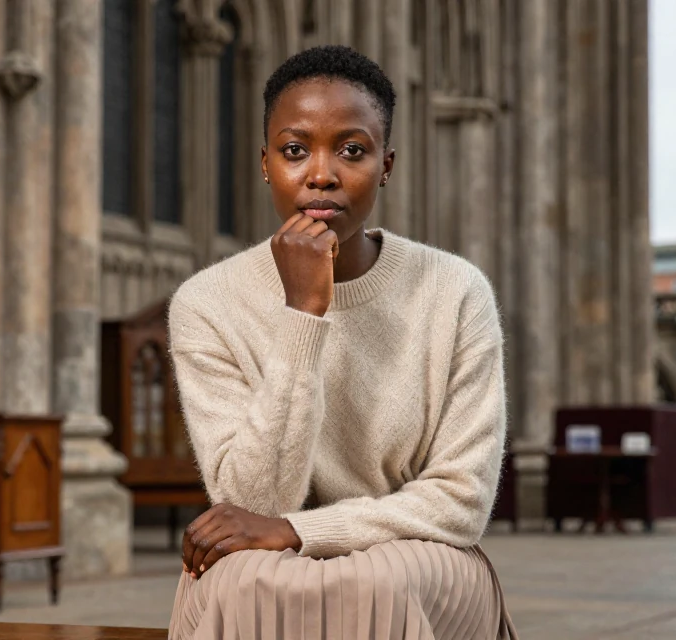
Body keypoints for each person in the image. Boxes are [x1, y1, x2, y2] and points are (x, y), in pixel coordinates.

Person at [166, 45, 516, 640]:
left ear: (386, 165)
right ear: (265, 164)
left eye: (352, 150)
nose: (322, 174)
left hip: (419, 552)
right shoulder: (206, 303)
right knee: (248, 582)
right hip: (264, 563)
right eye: (294, 150)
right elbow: (252, 504)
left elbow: (462, 501)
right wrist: (303, 315)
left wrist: (303, 532)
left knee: (374, 586)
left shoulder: (456, 291)